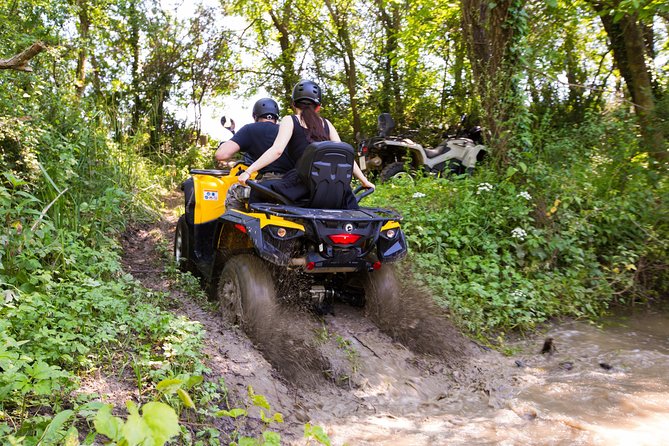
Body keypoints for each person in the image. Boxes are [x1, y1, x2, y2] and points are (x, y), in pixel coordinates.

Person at [237, 80, 374, 209]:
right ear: (318, 107)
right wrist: (364, 181)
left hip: (302, 185)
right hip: (335, 187)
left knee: (258, 191)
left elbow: (277, 150)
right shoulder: (327, 124)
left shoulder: (290, 120)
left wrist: (248, 172)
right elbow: (346, 156)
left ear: (293, 104)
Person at [214, 98, 292, 175]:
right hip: (294, 183)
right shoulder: (289, 130)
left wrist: (224, 145)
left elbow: (221, 155)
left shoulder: (250, 129)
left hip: (266, 183)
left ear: (255, 116)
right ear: (276, 117)